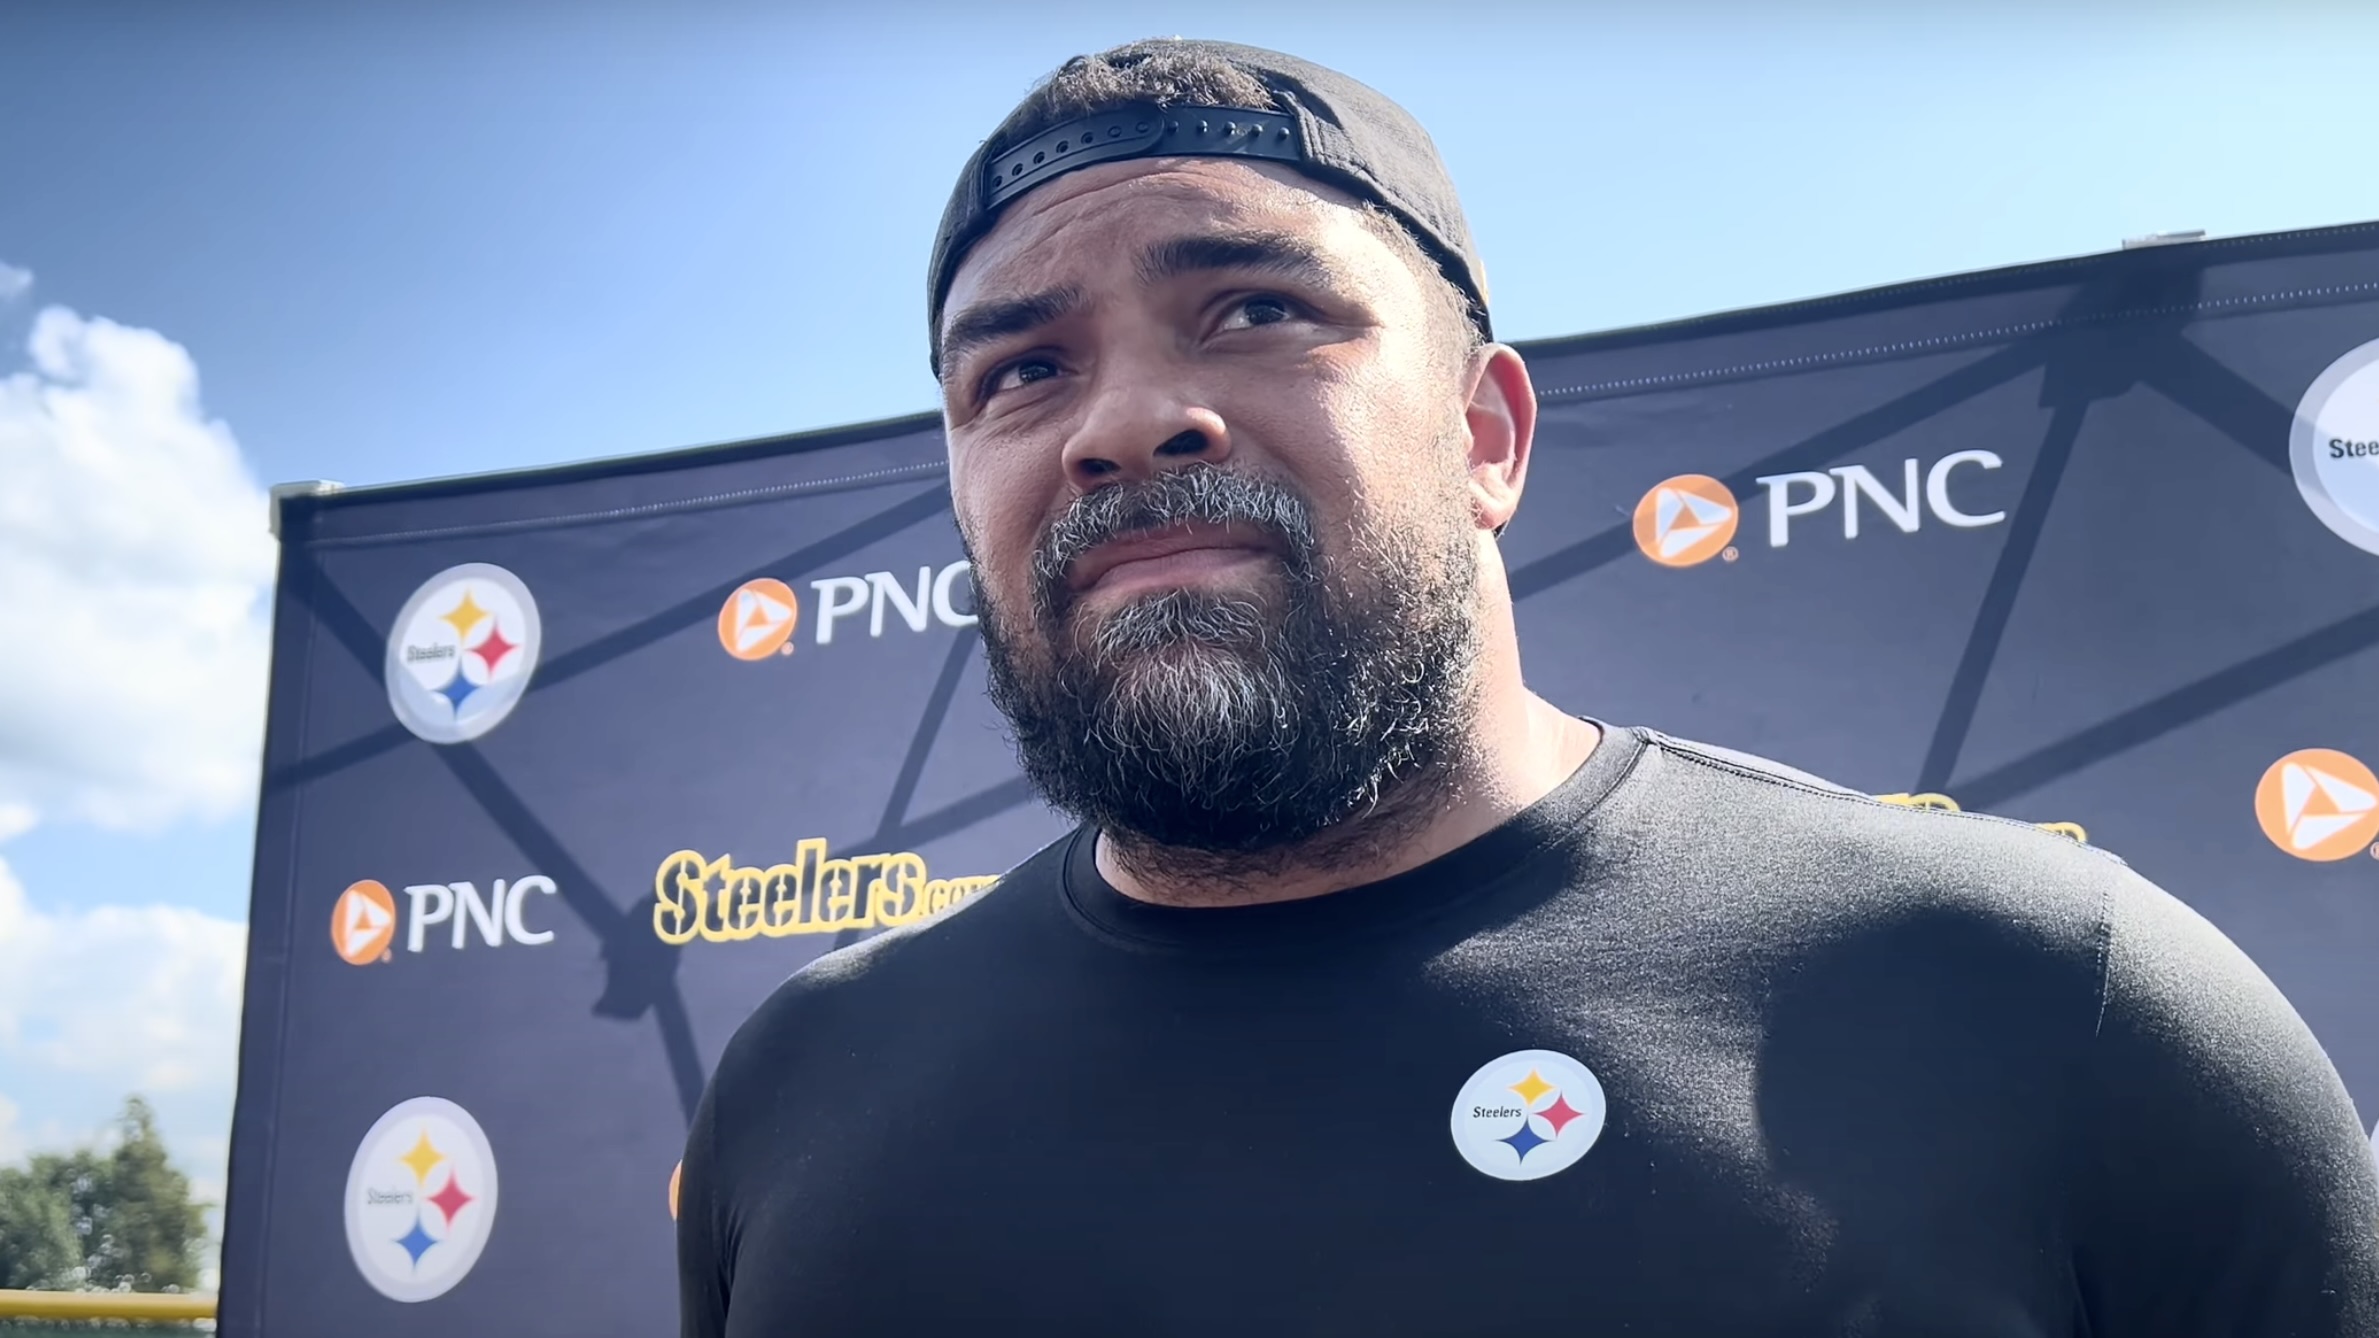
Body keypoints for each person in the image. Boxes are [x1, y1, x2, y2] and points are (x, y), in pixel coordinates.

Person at [677, 38, 2379, 1335]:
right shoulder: (804, 1083)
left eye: (1257, 308)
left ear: (1485, 433)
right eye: (1021, 369)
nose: (1122, 420)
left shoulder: (2045, 992)